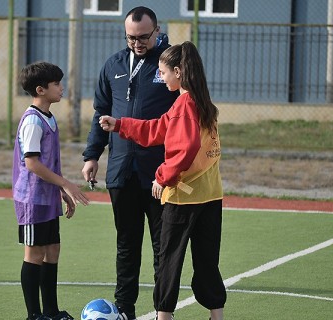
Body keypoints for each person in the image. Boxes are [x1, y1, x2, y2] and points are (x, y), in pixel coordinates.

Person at [99, 41, 227, 320]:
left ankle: (164, 315)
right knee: (207, 260)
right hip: (211, 195)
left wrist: (162, 176)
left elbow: (186, 147)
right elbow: (159, 129)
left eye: (163, 72)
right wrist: (120, 124)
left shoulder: (183, 103)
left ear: (178, 72)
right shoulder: (202, 101)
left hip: (184, 195)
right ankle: (216, 314)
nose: (161, 77)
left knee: (169, 258)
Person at [81, 6, 179, 320]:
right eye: (131, 37)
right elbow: (100, 113)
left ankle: (164, 310)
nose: (137, 43)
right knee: (126, 245)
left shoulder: (172, 66)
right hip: (121, 171)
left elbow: (185, 116)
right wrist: (92, 155)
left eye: (143, 37)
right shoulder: (114, 64)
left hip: (159, 173)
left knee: (163, 248)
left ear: (157, 31)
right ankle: (125, 309)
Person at [13, 61, 90, 320]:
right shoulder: (32, 121)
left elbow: (47, 164)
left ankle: (51, 311)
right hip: (32, 199)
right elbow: (32, 163)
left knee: (53, 249)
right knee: (34, 253)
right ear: (41, 89)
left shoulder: (49, 118)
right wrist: (66, 183)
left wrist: (60, 192)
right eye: (56, 83)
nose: (61, 87)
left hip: (46, 197)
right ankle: (34, 315)